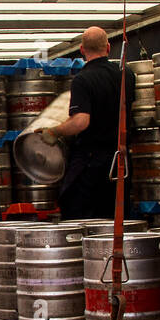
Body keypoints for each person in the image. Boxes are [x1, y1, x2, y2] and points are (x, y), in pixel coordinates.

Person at [40, 25, 133, 220]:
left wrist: (53, 132)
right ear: (108, 48)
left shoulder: (83, 79)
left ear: (82, 50)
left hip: (92, 162)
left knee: (77, 214)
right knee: (114, 217)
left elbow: (81, 121)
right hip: (120, 160)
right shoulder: (127, 75)